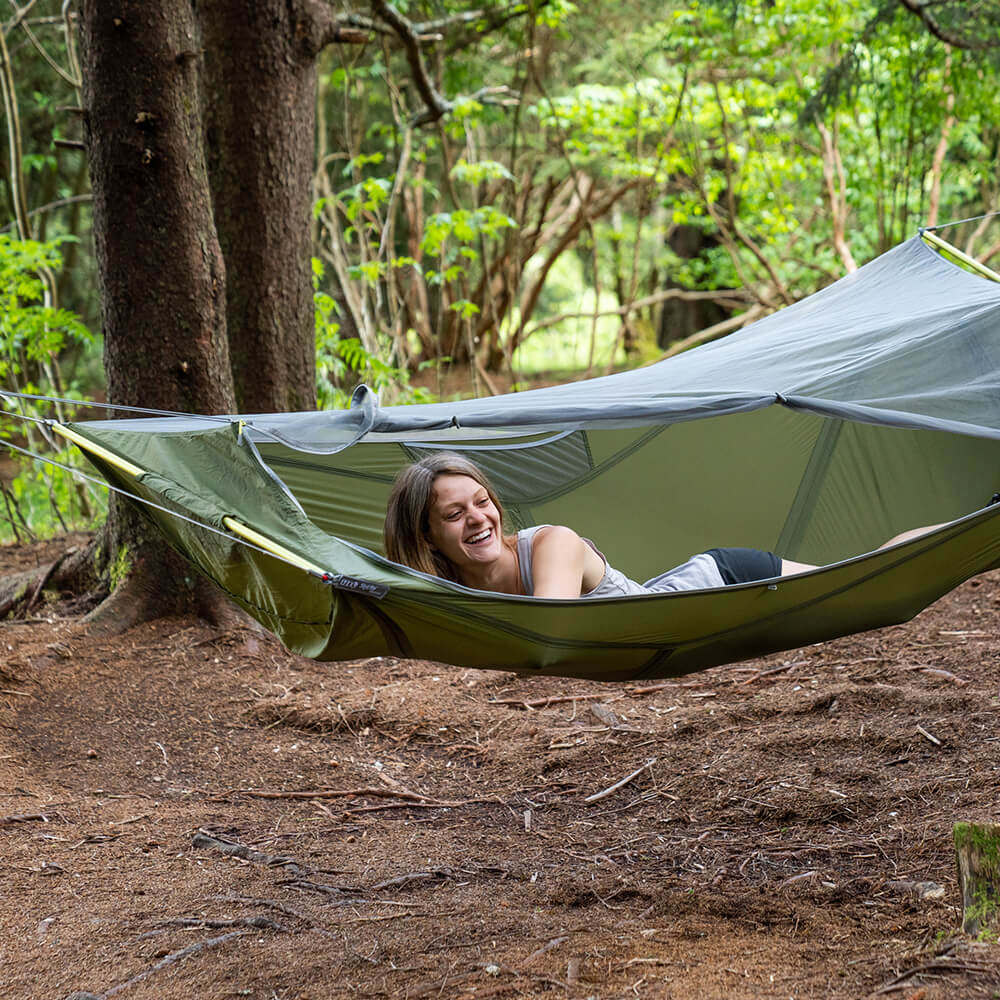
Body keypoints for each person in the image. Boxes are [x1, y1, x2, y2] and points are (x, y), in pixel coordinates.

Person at [383, 452, 946, 599]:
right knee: (869, 582)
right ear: (427, 536)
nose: (478, 519)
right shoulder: (448, 588)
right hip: (684, 603)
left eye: (483, 502)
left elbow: (550, 632)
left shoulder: (553, 544)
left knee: (869, 580)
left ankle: (974, 527)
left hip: (723, 583)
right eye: (455, 514)